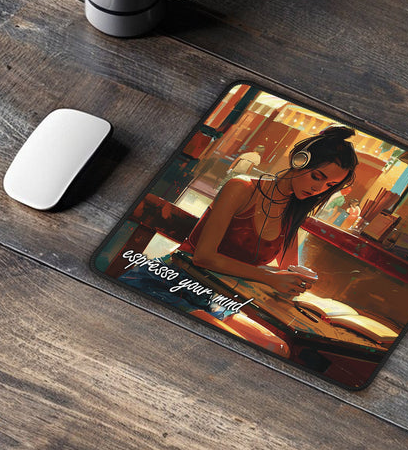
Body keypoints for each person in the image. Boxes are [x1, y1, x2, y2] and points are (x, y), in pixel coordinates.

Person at [120, 126, 359, 319]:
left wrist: (297, 279)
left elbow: (287, 271)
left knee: (274, 347)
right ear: (299, 160)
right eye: (317, 176)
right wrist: (270, 277)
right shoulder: (242, 188)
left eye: (329, 186)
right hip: (171, 281)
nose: (318, 189)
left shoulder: (294, 211)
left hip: (217, 298)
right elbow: (203, 256)